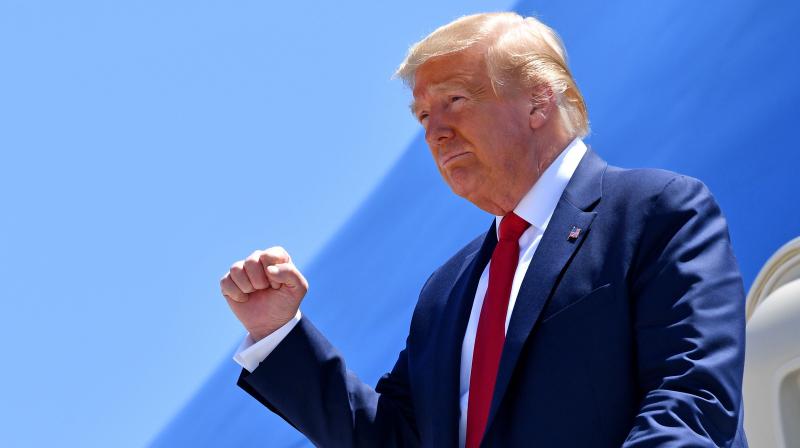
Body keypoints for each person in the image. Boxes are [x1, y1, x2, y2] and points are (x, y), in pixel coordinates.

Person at [219, 12, 748, 447]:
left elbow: (691, 397)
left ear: (539, 100)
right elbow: (393, 440)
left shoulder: (655, 210)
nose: (434, 131)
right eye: (422, 114)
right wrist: (277, 334)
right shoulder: (445, 291)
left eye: (454, 100)